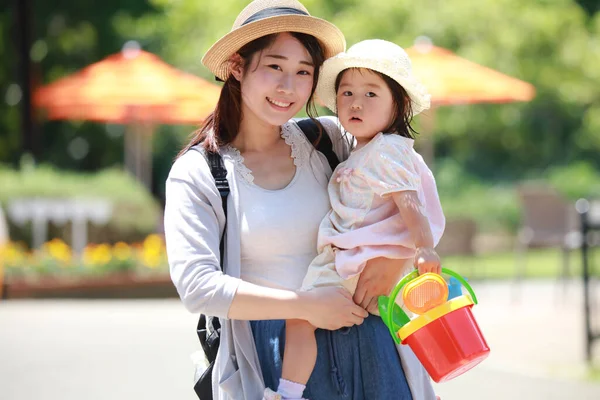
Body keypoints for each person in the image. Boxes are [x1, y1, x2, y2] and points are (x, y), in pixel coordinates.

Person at [164, 1, 436, 399]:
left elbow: (407, 181)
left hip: (371, 340)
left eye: (303, 72)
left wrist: (394, 258)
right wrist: (304, 305)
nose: (288, 88)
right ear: (238, 66)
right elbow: (198, 287)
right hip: (279, 356)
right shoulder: (200, 172)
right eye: (274, 66)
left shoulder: (328, 139)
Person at [270, 39, 446, 400]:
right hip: (354, 256)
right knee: (396, 325)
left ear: (400, 105)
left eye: (371, 94)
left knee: (300, 316)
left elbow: (409, 200)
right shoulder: (359, 149)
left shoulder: (388, 149)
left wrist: (424, 247)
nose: (355, 102)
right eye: (347, 92)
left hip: (353, 261)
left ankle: (286, 393)